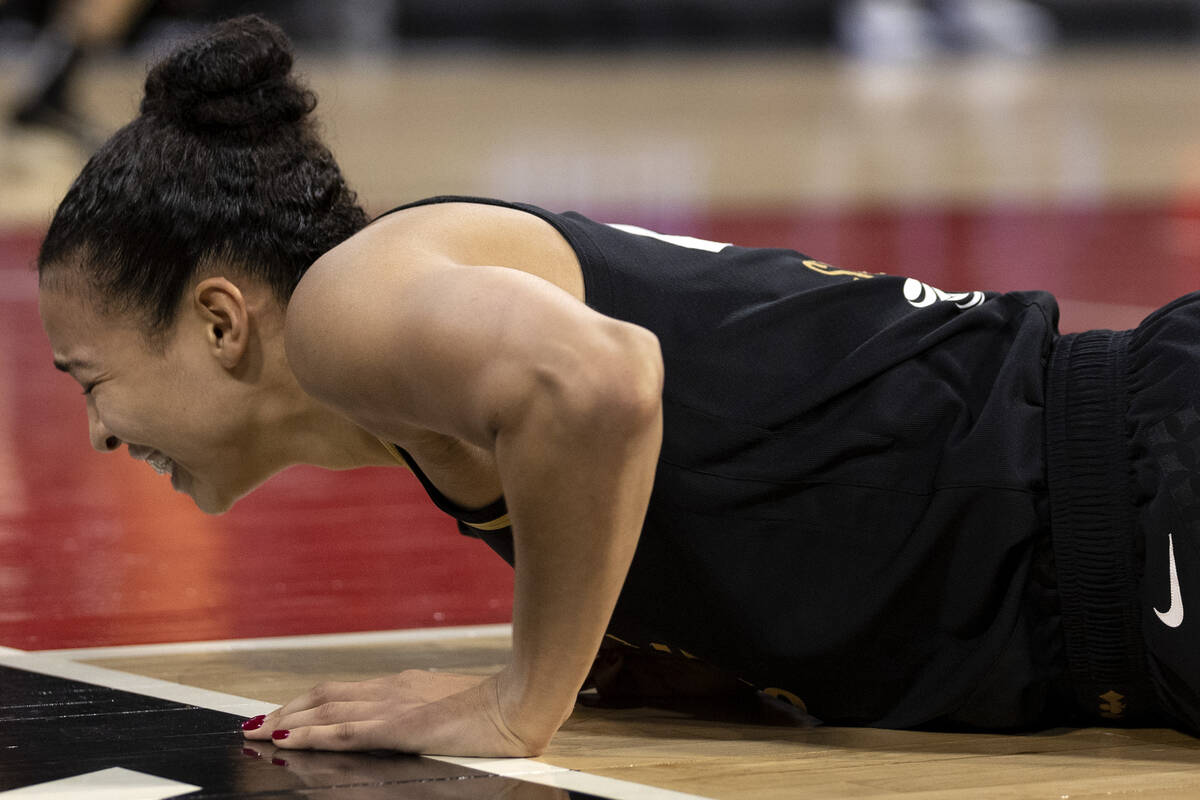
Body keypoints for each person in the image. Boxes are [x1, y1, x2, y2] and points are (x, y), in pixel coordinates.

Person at [36, 15, 1200, 757]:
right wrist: (702, 630)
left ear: (221, 318)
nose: (93, 432)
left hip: (1142, 489)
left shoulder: (351, 303)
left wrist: (516, 697)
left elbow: (601, 378)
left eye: (89, 378)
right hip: (1116, 570)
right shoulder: (413, 376)